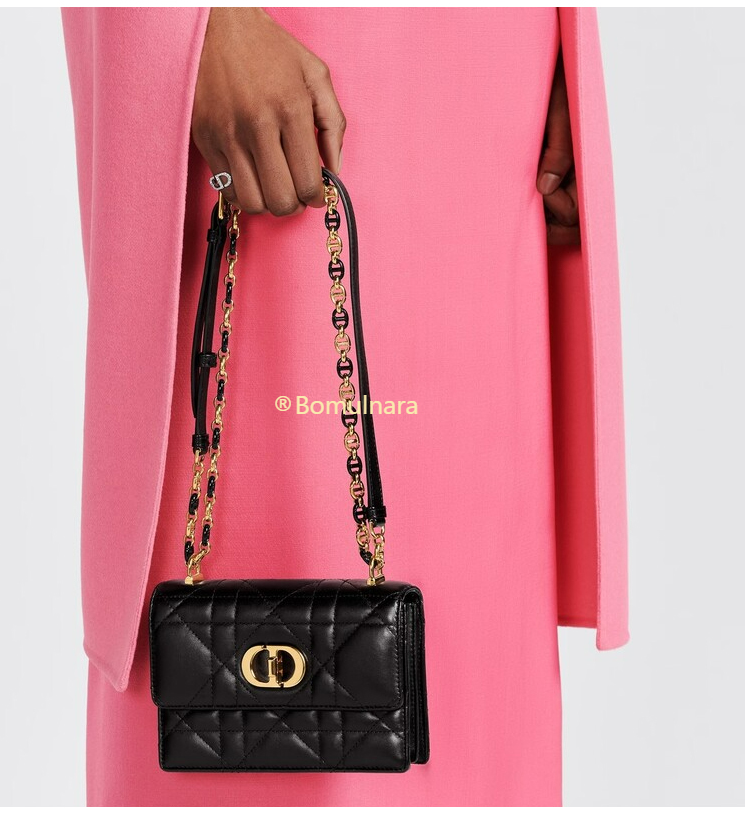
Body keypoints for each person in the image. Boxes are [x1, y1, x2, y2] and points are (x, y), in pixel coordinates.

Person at [62, 7, 629, 806]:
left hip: (490, 85)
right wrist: (199, 22)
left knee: (472, 662)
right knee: (250, 617)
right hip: (285, 47)